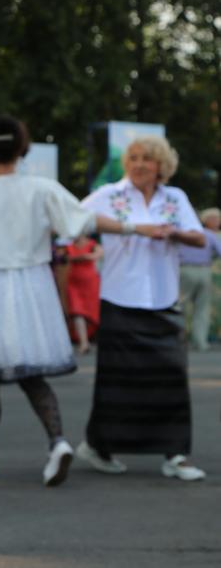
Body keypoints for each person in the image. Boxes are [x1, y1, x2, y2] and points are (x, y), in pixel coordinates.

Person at [0, 115, 165, 487]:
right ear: (23, 148)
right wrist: (134, 227)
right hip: (31, 283)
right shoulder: (42, 188)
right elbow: (83, 222)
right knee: (32, 374)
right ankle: (57, 441)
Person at [77, 136, 208, 481]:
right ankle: (99, 447)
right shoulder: (110, 195)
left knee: (172, 377)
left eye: (146, 159)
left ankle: (176, 454)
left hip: (163, 298)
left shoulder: (175, 198)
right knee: (116, 382)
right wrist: (133, 228)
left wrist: (172, 233)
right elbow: (75, 220)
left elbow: (199, 237)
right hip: (119, 297)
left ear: (161, 165)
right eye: (133, 158)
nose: (138, 164)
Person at [178, 207, 221, 351]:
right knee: (202, 308)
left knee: (180, 307)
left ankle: (179, 340)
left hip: (184, 269)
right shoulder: (209, 234)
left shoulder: (180, 233)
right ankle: (200, 341)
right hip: (204, 270)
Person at [65, 235, 103, 354]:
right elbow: (63, 258)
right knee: (77, 311)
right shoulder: (68, 245)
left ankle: (90, 338)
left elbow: (98, 255)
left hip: (90, 283)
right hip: (74, 282)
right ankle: (84, 342)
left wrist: (82, 257)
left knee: (90, 312)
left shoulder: (93, 245)